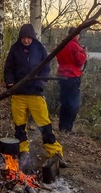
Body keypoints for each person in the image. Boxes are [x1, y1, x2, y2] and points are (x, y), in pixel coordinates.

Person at [4, 23, 66, 171]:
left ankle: (55, 152)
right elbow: (8, 68)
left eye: (28, 38)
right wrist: (10, 82)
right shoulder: (14, 49)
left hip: (35, 93)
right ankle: (23, 150)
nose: (26, 40)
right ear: (20, 37)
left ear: (32, 37)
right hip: (18, 94)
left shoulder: (40, 49)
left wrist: (41, 83)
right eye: (23, 38)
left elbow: (46, 69)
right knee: (19, 125)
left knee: (44, 124)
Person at [56, 27, 88, 134]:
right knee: (73, 104)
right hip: (72, 77)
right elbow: (79, 61)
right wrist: (84, 53)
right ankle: (68, 128)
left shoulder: (62, 44)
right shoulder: (75, 45)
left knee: (64, 103)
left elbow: (59, 57)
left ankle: (62, 127)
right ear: (76, 35)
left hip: (62, 76)